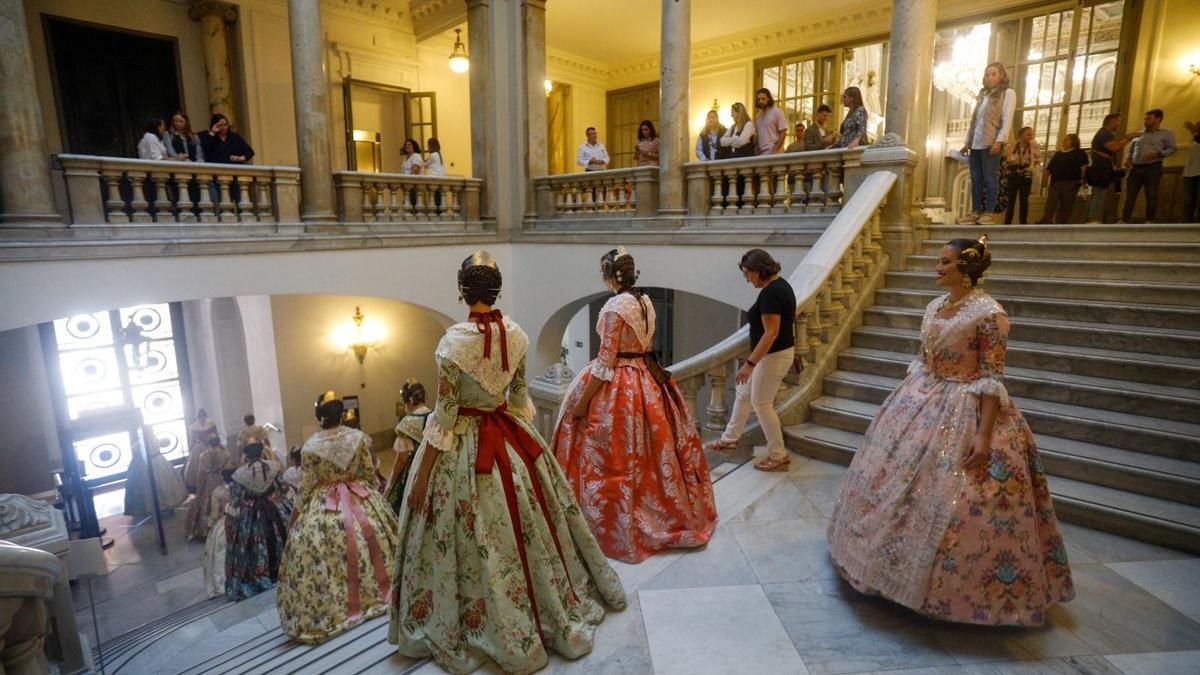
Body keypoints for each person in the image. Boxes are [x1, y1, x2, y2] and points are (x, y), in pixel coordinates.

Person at [389, 251, 626, 674]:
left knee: (468, 534)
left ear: (462, 290)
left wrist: (422, 474)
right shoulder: (516, 334)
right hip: (511, 438)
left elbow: (444, 415)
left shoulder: (451, 343)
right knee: (534, 517)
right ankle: (547, 602)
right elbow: (518, 400)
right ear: (496, 290)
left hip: (463, 445)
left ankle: (481, 614)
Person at [827, 237, 1075, 626]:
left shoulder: (989, 314)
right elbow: (925, 358)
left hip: (966, 407)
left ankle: (952, 594)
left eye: (945, 262)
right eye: (939, 261)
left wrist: (983, 434)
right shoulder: (934, 306)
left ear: (966, 267)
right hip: (921, 398)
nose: (937, 267)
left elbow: (992, 376)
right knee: (888, 481)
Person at [551, 248, 717, 563]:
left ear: (609, 274)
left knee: (615, 456)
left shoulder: (615, 306)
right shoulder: (644, 301)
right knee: (651, 452)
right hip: (645, 379)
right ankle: (659, 509)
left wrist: (582, 403)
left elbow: (604, 363)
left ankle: (618, 520)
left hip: (619, 385)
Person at [277, 392, 398, 644]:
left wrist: (295, 516)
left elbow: (307, 486)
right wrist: (372, 494)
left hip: (325, 506)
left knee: (324, 554)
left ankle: (336, 608)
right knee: (372, 542)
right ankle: (376, 596)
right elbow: (371, 473)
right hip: (360, 498)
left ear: (319, 417)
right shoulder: (360, 438)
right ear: (343, 415)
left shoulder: (310, 447)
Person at [706, 250, 798, 472]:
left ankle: (778, 455)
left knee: (762, 405)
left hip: (773, 357)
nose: (747, 279)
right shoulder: (781, 285)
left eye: (748, 274)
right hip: (775, 354)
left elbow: (771, 333)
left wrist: (750, 364)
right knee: (743, 394)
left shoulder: (770, 294)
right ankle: (729, 439)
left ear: (759, 270)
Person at [225, 442, 292, 601]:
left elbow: (235, 501)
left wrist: (229, 521)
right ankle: (284, 569)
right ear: (262, 453)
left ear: (246, 455)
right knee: (281, 534)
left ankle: (260, 574)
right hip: (274, 507)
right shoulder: (274, 466)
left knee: (252, 544)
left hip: (251, 513)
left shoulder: (240, 474)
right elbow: (283, 488)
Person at [959, 63, 1016, 225]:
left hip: (991, 142)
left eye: (994, 74)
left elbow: (1007, 120)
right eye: (987, 75)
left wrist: (999, 141)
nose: (990, 77)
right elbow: (975, 122)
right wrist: (967, 143)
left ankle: (989, 213)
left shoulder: (1007, 93)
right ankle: (975, 211)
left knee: (990, 178)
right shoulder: (983, 95)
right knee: (976, 179)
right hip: (975, 144)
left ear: (1001, 76)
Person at [1122, 109, 1178, 223]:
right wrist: (1128, 158)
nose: (1145, 121)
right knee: (1130, 196)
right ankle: (1124, 220)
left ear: (1158, 119)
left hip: (1153, 167)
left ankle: (1149, 221)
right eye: (1144, 119)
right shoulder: (1138, 134)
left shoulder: (1166, 133)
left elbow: (1172, 148)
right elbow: (1132, 149)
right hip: (1135, 168)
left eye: (1148, 119)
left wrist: (1158, 154)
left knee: (1151, 195)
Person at [384, 380, 432, 513]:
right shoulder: (433, 416)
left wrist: (391, 482)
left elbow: (401, 459)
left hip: (414, 472)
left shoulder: (407, 423)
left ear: (408, 401)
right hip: (432, 466)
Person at [124, 425, 189, 518]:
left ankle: (163, 507)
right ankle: (158, 507)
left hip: (155, 463)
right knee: (158, 486)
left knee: (162, 485)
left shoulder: (146, 443)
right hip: (152, 464)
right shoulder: (147, 443)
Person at [1086, 113, 1140, 224]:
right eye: (1118, 121)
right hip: (1101, 168)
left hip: (1102, 168)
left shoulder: (1105, 134)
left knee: (1099, 194)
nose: (1119, 124)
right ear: (1112, 121)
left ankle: (1093, 217)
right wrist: (1128, 138)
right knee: (1099, 194)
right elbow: (1115, 147)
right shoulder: (1104, 134)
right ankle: (1092, 218)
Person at [184, 434, 234, 540]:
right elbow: (230, 469)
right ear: (219, 442)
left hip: (209, 480)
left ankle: (205, 530)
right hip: (221, 479)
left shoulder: (203, 456)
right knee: (223, 501)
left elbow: (201, 473)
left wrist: (199, 487)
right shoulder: (226, 454)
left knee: (206, 502)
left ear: (208, 443)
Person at [1040, 134, 1089, 224]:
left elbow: (1084, 167)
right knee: (1051, 203)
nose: (1064, 141)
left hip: (1070, 182)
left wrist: (1083, 178)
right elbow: (1049, 168)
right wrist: (1045, 180)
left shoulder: (1079, 153)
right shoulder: (1058, 154)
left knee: (1066, 204)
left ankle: (1062, 222)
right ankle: (1046, 220)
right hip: (1055, 182)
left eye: (1067, 140)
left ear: (1073, 141)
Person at [203, 468, 235, 599]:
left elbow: (215, 514)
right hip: (241, 518)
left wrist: (210, 523)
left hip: (224, 523)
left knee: (219, 555)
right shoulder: (241, 486)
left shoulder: (217, 491)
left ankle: (222, 584)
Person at [1003, 127, 1040, 224]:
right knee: (1011, 200)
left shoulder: (1033, 147)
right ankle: (1007, 222)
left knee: (1024, 200)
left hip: (1026, 176)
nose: (1030, 137)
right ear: (1021, 135)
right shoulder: (1011, 146)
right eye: (1028, 134)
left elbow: (1037, 161)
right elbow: (1005, 160)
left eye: (1031, 134)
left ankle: (1023, 222)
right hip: (1013, 175)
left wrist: (1032, 165)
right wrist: (1010, 162)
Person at [184, 409, 217, 492]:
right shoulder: (193, 426)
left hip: (211, 445)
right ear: (197, 418)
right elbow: (192, 439)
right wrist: (191, 447)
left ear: (206, 417)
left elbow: (215, 435)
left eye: (203, 418)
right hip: (198, 447)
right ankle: (198, 484)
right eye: (200, 418)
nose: (202, 420)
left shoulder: (211, 424)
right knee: (197, 464)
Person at [753, 87, 789, 155]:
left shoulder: (777, 112)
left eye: (763, 99)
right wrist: (756, 147)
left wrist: (775, 150)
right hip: (762, 153)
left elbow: (783, 132)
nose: (761, 101)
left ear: (769, 99)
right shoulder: (758, 116)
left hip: (775, 153)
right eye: (758, 99)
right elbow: (757, 134)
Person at [1184, 118, 1200, 223]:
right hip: (1189, 172)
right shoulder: (1194, 138)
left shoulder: (1196, 137)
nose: (1197, 125)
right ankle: (1187, 222)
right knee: (1188, 200)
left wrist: (1193, 131)